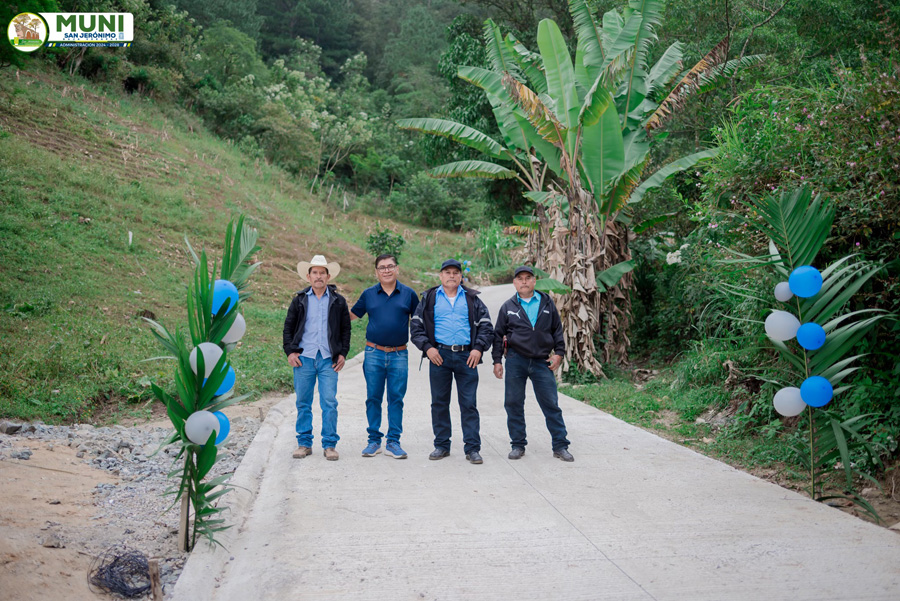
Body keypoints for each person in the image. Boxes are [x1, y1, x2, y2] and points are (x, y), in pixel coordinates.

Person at [411, 259, 494, 464]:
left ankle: (472, 448)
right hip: (439, 356)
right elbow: (416, 327)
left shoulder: (472, 299)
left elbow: (486, 326)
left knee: (468, 404)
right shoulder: (429, 298)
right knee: (439, 403)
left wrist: (478, 348)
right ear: (440, 276)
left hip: (467, 357)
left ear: (461, 277)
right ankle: (441, 445)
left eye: (455, 272)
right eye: (447, 272)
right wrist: (428, 348)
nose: (451, 276)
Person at [491, 266, 573, 462]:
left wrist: (559, 354)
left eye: (528, 278)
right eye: (520, 278)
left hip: (541, 361)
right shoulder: (508, 307)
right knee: (513, 403)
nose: (524, 281)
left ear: (534, 281)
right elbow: (498, 335)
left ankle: (560, 446)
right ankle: (518, 445)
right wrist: (497, 361)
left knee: (551, 404)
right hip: (515, 360)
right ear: (515, 283)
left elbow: (557, 330)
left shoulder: (547, 303)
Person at [350, 253, 420, 459]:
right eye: (382, 267)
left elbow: (420, 320)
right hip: (374, 353)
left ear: (397, 269)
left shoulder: (409, 294)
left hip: (399, 354)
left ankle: (393, 442)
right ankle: (373, 441)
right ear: (376, 272)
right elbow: (351, 315)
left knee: (396, 398)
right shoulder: (368, 294)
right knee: (373, 397)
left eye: (390, 266)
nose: (386, 270)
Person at [282, 255, 351, 461]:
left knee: (329, 402)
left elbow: (345, 330)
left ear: (328, 276)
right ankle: (304, 443)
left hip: (329, 359)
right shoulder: (299, 300)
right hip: (304, 358)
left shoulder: (338, 301)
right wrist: (290, 351)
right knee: (303, 402)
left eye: (322, 273)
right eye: (315, 273)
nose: (318, 276)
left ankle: (329, 445)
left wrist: (343, 353)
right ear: (308, 276)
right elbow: (288, 327)